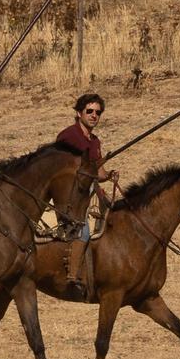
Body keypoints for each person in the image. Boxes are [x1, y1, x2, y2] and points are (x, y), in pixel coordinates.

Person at [54, 92, 119, 297]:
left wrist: (108, 175)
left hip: (92, 191)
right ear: (79, 112)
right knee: (84, 226)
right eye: (89, 111)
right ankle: (73, 275)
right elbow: (61, 168)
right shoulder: (68, 136)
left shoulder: (95, 141)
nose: (93, 115)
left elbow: (97, 173)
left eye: (97, 112)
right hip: (72, 193)